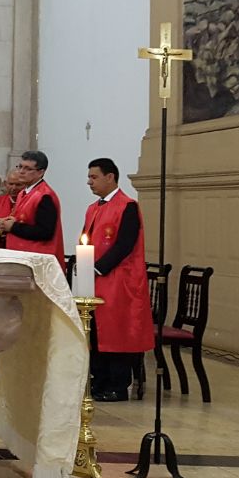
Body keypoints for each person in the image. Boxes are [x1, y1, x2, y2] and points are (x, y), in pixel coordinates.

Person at [83, 158, 154, 402]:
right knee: (96, 333)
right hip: (96, 280)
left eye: (94, 177)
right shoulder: (94, 208)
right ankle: (98, 381)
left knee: (117, 332)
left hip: (120, 281)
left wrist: (98, 268)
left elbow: (124, 244)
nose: (89, 181)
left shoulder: (127, 206)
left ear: (110, 177)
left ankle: (118, 386)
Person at [0, 151, 65, 269]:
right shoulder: (23, 193)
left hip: (37, 260)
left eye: (28, 168)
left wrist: (13, 227)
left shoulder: (45, 196)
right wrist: (11, 221)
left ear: (40, 172)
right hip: (22, 257)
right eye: (20, 166)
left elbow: (45, 231)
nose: (22, 171)